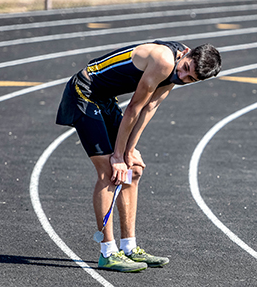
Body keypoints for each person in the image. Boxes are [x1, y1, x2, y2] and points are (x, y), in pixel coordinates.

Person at [56, 39, 222, 272]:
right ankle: (107, 252)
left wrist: (129, 151)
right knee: (108, 171)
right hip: (84, 92)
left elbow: (149, 108)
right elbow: (134, 107)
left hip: (103, 98)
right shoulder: (164, 60)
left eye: (190, 79)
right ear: (186, 53)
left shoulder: (176, 71)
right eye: (185, 69)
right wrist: (117, 155)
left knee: (133, 170)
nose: (183, 77)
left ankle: (129, 248)